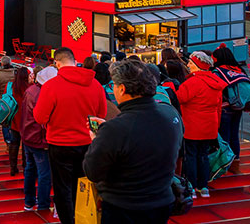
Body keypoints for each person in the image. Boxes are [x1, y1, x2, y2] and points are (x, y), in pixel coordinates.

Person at [82, 59, 183, 224]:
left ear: (122, 89)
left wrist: (97, 140)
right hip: (161, 202)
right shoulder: (170, 118)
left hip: (124, 208)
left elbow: (93, 171)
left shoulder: (116, 129)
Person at [32, 47, 108, 223]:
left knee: (62, 188)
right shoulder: (95, 84)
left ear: (57, 63)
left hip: (59, 144)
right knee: (82, 184)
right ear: (74, 61)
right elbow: (101, 114)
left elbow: (40, 116)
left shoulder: (51, 86)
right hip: (87, 143)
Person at [177, 51, 227, 198]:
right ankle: (203, 186)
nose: (188, 65)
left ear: (198, 66)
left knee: (191, 156)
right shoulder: (216, 83)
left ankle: (191, 186)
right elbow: (218, 107)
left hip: (192, 124)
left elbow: (180, 98)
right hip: (209, 125)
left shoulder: (192, 82)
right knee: (203, 155)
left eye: (191, 63)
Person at [20, 65, 55, 214]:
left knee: (30, 170)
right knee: (44, 174)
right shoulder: (43, 94)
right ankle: (43, 205)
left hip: (27, 137)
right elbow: (43, 121)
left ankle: (29, 201)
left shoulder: (30, 90)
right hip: (39, 140)